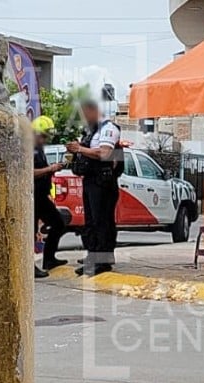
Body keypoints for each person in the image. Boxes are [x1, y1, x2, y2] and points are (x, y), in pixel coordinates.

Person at [66, 100, 121, 276]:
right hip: (90, 180)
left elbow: (105, 154)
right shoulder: (91, 131)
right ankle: (94, 257)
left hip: (103, 182)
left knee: (101, 221)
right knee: (91, 222)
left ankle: (102, 261)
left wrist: (80, 149)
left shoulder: (109, 129)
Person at [32, 115, 66, 278]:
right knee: (30, 233)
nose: (46, 139)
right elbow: (28, 172)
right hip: (31, 197)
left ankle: (49, 258)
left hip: (42, 196)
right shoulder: (27, 148)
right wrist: (48, 169)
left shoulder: (39, 149)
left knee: (59, 223)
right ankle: (29, 267)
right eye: (44, 136)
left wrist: (53, 169)